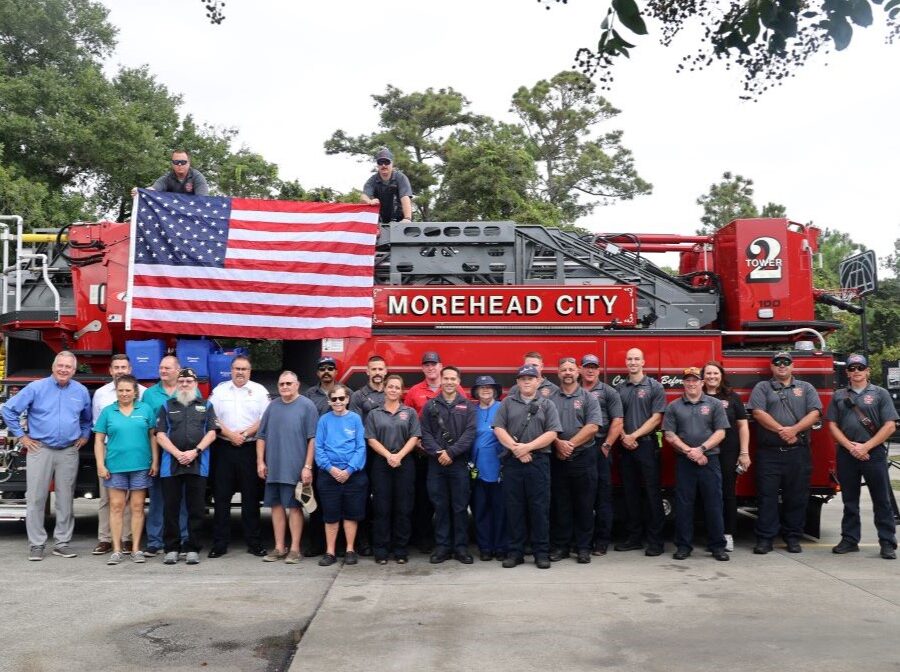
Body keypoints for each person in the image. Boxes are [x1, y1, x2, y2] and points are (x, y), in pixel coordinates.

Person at [2, 351, 91, 561]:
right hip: (39, 449)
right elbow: (8, 410)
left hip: (69, 450)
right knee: (36, 498)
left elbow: (87, 419)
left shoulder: (81, 391)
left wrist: (85, 435)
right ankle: (37, 544)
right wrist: (22, 437)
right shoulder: (36, 387)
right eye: (60, 365)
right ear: (53, 367)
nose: (63, 370)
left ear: (74, 370)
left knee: (65, 499)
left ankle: (62, 543)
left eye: (68, 367)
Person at [748, 352, 823, 554]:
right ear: (771, 367)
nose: (782, 366)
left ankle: (793, 538)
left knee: (796, 498)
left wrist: (794, 430)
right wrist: (783, 430)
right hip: (769, 453)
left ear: (792, 366)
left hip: (798, 452)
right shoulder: (762, 387)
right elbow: (758, 413)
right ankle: (765, 539)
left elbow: (815, 412)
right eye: (777, 363)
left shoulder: (806, 388)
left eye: (786, 362)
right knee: (766, 498)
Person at [826, 354, 898, 560]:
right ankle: (849, 539)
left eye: (860, 367)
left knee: (881, 499)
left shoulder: (880, 394)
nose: (856, 371)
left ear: (868, 371)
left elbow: (890, 425)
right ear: (847, 372)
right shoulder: (839, 395)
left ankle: (887, 542)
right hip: (847, 453)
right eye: (852, 368)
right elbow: (832, 424)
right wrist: (850, 447)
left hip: (873, 453)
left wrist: (866, 446)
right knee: (849, 500)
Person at [493, 364, 562, 569]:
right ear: (517, 382)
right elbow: (498, 429)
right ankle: (515, 552)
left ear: (538, 381)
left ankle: (541, 553)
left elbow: (552, 433)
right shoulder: (507, 403)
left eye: (530, 378)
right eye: (522, 379)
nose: (526, 381)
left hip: (538, 461)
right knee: (515, 508)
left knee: (539, 508)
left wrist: (528, 448)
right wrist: (516, 449)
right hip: (513, 463)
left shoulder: (547, 404)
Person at [663, 367, 731, 561]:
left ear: (702, 382)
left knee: (714, 504)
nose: (691, 384)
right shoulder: (674, 406)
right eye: (688, 380)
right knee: (684, 505)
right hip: (685, 462)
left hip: (710, 460)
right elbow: (669, 434)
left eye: (695, 380)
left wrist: (701, 449)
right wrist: (689, 452)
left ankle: (717, 546)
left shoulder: (715, 404)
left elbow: (721, 432)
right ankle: (684, 546)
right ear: (683, 383)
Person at [403, 351, 466, 553]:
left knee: (455, 504)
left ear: (441, 366)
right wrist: (423, 445)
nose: (431, 367)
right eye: (427, 364)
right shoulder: (414, 391)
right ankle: (425, 540)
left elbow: (466, 425)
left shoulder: (458, 391)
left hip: (453, 457)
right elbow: (408, 421)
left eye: (434, 364)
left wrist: (450, 452)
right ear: (423, 368)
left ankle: (457, 545)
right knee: (425, 501)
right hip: (423, 455)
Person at [155, 368, 218, 565]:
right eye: (181, 381)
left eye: (189, 381)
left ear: (195, 384)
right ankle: (171, 548)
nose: (184, 384)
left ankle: (193, 548)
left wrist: (195, 452)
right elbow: (160, 434)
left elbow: (212, 433)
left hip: (198, 464)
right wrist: (177, 454)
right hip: (171, 465)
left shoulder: (206, 406)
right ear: (177, 383)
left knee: (196, 508)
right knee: (171, 508)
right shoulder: (166, 406)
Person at [208, 355, 270, 558]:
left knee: (251, 498)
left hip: (249, 449)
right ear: (231, 370)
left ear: (250, 372)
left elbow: (264, 419)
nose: (240, 372)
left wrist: (243, 435)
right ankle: (220, 543)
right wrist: (230, 434)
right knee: (222, 497)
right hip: (224, 448)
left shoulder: (259, 391)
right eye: (236, 368)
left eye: (244, 369)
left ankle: (254, 542)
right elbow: (212, 417)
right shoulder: (220, 390)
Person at [93, 375, 158, 565]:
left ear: (135, 392)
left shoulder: (145, 409)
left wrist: (154, 461)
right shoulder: (108, 411)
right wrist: (100, 463)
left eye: (128, 390)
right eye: (121, 390)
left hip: (140, 466)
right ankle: (116, 549)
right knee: (116, 507)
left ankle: (136, 548)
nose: (124, 393)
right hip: (115, 467)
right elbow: (98, 440)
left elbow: (153, 436)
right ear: (117, 392)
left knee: (137, 507)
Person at [256, 371, 319, 564]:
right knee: (275, 507)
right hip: (273, 468)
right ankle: (279, 547)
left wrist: (307, 466)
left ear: (297, 384)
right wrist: (260, 461)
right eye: (281, 384)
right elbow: (261, 436)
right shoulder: (272, 407)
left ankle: (294, 549)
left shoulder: (307, 406)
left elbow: (312, 439)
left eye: (288, 383)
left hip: (295, 468)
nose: (284, 387)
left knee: (294, 508)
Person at [549, 357, 603, 564]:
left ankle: (583, 548)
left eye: (571, 369)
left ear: (578, 372)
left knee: (584, 505)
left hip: (584, 458)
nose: (568, 373)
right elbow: (545, 427)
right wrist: (558, 445)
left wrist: (568, 445)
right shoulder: (550, 398)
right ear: (558, 373)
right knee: (560, 505)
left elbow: (593, 427)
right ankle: (561, 547)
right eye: (564, 369)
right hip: (558, 458)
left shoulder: (589, 398)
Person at [421, 366, 477, 564]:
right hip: (436, 465)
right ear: (441, 380)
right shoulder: (430, 406)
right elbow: (425, 433)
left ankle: (461, 548)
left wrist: (451, 453)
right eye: (446, 378)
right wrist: (439, 453)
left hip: (459, 464)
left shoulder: (468, 407)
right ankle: (443, 547)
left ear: (459, 381)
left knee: (460, 507)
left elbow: (470, 434)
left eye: (453, 378)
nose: (449, 382)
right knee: (441, 507)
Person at [614, 348, 667, 556]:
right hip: (625, 446)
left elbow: (656, 418)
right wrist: (624, 437)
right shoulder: (620, 388)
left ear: (643, 362)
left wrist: (633, 436)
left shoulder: (655, 386)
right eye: (629, 359)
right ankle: (634, 538)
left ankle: (656, 541)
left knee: (652, 493)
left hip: (646, 445)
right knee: (630, 493)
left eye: (637, 359)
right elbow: (617, 418)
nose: (633, 362)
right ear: (626, 362)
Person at [365, 374, 421, 564]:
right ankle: (381, 550)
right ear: (385, 389)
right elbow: (371, 438)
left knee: (403, 509)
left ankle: (400, 550)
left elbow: (414, 437)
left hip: (404, 463)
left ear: (401, 391)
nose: (393, 390)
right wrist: (389, 456)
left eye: (397, 387)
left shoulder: (410, 412)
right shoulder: (374, 413)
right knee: (382, 508)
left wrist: (399, 456)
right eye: (390, 387)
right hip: (382, 463)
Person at [141, 355, 191, 556]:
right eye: (161, 367)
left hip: (182, 454)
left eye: (168, 368)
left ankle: (184, 538)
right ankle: (155, 541)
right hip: (159, 451)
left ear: (178, 371)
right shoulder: (150, 394)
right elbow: (148, 426)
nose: (163, 371)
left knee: (182, 498)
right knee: (157, 497)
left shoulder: (187, 390)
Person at [315, 385, 367, 567]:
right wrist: (331, 469)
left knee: (351, 515)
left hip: (352, 475)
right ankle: (330, 552)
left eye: (341, 398)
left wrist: (349, 470)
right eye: (334, 399)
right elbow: (319, 448)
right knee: (331, 515)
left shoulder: (355, 419)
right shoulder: (324, 420)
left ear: (347, 399)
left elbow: (360, 447)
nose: (338, 402)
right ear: (329, 401)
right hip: (329, 475)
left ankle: (350, 549)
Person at [702, 361, 750, 552]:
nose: (712, 376)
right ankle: (712, 534)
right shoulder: (698, 395)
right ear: (702, 377)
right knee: (706, 494)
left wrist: (744, 453)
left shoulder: (732, 397)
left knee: (728, 494)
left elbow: (743, 426)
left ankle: (727, 534)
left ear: (721, 375)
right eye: (708, 373)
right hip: (704, 452)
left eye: (715, 373)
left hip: (728, 452)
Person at [579, 354, 624, 556]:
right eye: (587, 367)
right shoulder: (574, 391)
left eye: (594, 367)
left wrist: (606, 445)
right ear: (581, 369)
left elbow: (617, 421)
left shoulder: (609, 392)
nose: (590, 370)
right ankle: (582, 541)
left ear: (599, 370)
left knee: (602, 497)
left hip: (599, 446)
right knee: (581, 497)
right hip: (578, 448)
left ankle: (601, 541)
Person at [348, 354, 387, 555]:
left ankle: (381, 540)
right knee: (362, 498)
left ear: (386, 371)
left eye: (381, 369)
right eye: (374, 369)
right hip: (365, 453)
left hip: (387, 454)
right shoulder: (358, 396)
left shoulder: (392, 393)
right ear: (367, 371)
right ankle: (362, 541)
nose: (378, 373)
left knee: (382, 498)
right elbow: (356, 426)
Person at [469, 375, 508, 561]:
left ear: (495, 390)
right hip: (476, 467)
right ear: (476, 391)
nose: (485, 390)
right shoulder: (470, 410)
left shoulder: (503, 408)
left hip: (498, 466)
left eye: (489, 387)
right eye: (481, 387)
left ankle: (500, 546)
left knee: (500, 509)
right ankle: (485, 547)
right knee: (480, 509)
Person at [360, 147, 412, 224]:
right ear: (377, 165)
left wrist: (407, 218)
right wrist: (369, 201)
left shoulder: (401, 177)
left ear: (392, 163)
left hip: (401, 221)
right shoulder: (372, 180)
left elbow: (405, 197)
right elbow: (363, 196)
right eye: (380, 162)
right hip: (380, 222)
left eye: (386, 162)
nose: (383, 165)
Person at [132, 149, 209, 197]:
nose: (179, 164)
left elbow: (202, 200)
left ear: (189, 163)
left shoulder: (197, 177)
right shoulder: (167, 177)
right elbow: (153, 189)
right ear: (172, 164)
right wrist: (141, 192)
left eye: (183, 162)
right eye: (176, 162)